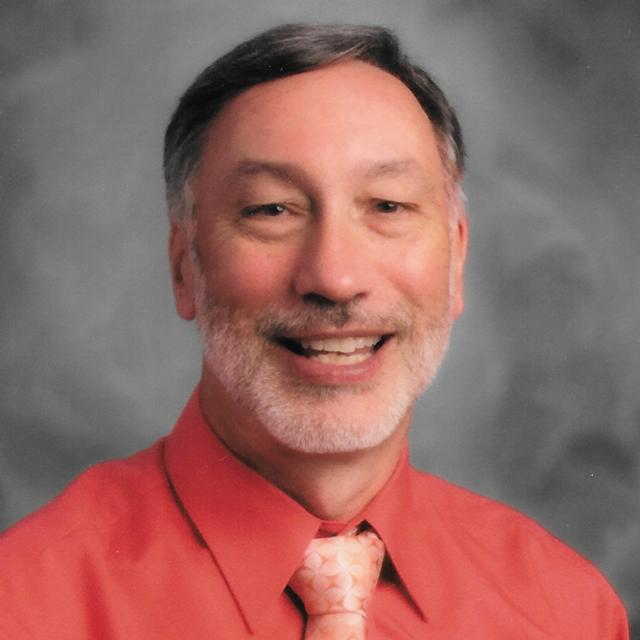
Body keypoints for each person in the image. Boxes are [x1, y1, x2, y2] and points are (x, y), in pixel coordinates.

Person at [0, 23, 629, 639]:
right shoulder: (24, 602)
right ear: (182, 265)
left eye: (387, 206)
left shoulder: (567, 611)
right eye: (272, 209)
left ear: (457, 260)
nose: (334, 276)